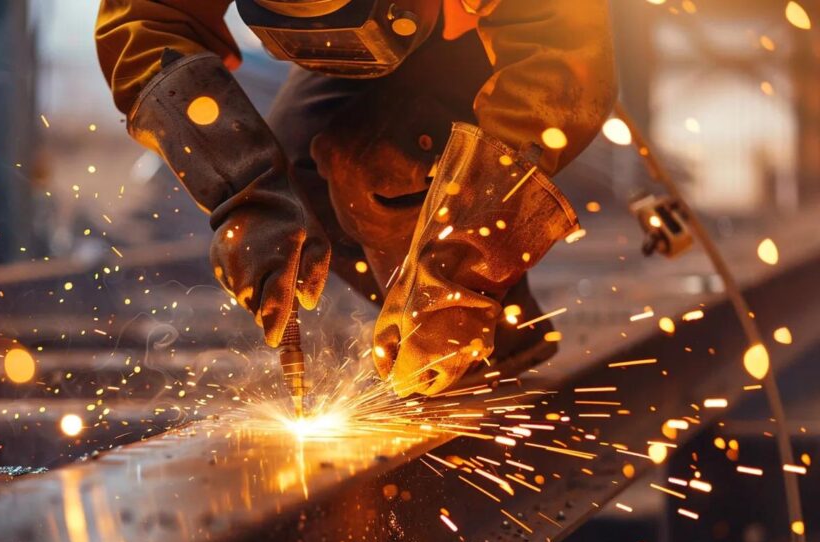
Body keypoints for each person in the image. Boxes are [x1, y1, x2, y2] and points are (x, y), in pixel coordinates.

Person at [95, 0, 617, 397]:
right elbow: (144, 30)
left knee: (379, 164)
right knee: (296, 169)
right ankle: (431, 344)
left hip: (487, 47)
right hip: (348, 65)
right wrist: (247, 194)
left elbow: (559, 67)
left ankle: (471, 331)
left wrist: (461, 273)